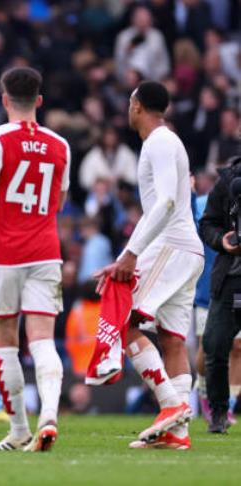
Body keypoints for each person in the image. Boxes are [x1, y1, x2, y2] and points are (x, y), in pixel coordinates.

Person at [97, 81, 203, 449]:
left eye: (130, 102)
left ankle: (172, 407)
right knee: (173, 341)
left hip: (170, 246)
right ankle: (179, 433)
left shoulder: (159, 141)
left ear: (137, 105)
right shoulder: (165, 141)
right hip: (187, 250)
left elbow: (167, 203)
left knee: (124, 321)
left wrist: (131, 253)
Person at [0, 67, 70, 453]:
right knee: (43, 339)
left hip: (4, 252)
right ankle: (49, 413)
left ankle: (18, 430)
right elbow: (60, 201)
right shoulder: (60, 143)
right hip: (46, 250)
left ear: (3, 99)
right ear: (40, 101)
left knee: (4, 340)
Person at [199, 153, 241, 433]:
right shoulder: (229, 181)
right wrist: (222, 241)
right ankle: (217, 412)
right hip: (232, 277)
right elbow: (207, 224)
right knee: (214, 345)